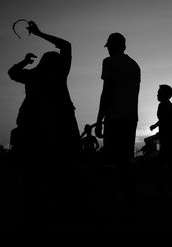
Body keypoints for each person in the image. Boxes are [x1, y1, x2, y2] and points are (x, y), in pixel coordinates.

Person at [8, 21, 81, 227]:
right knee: (62, 171)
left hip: (34, 131)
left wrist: (24, 62)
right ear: (57, 63)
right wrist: (40, 33)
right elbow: (66, 46)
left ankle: (36, 211)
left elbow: (12, 73)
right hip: (60, 130)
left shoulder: (32, 76)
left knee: (35, 174)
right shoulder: (59, 74)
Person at [95, 32, 141, 167]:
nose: (108, 49)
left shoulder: (109, 62)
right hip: (131, 118)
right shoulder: (134, 65)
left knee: (112, 161)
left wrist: (99, 120)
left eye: (109, 46)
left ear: (114, 46)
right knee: (126, 160)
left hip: (114, 117)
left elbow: (106, 92)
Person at [150, 84, 172, 168]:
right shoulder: (164, 105)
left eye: (159, 93)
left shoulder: (166, 106)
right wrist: (156, 125)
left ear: (165, 95)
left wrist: (169, 127)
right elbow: (164, 119)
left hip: (168, 136)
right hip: (167, 135)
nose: (157, 95)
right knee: (167, 156)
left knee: (167, 156)